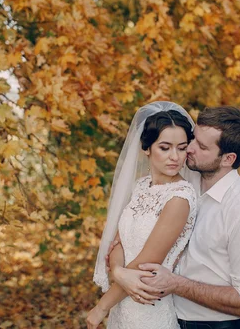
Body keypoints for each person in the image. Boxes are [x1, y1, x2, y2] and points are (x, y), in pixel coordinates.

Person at [110, 106, 240, 329]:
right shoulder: (183, 182)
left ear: (228, 158)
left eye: (202, 146)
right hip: (166, 317)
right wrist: (119, 270)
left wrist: (177, 284)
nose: (189, 149)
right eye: (193, 139)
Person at [88, 101, 201, 329]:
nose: (175, 157)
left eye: (181, 147)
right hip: (123, 302)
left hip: (148, 306)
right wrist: (118, 272)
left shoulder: (180, 197)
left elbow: (147, 264)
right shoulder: (141, 186)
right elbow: (119, 243)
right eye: (165, 147)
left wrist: (101, 307)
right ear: (146, 148)